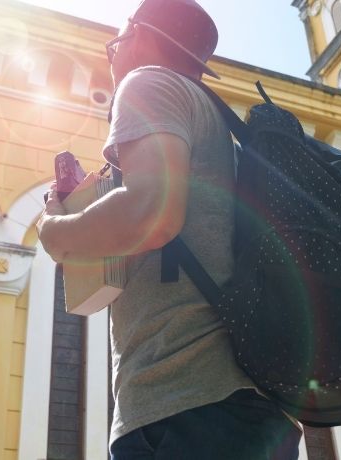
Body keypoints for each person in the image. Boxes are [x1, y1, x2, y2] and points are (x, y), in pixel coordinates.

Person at [37, 0, 301, 458]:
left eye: (115, 44)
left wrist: (56, 232)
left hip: (184, 406)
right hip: (245, 410)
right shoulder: (217, 129)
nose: (113, 57)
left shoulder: (147, 84)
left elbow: (152, 214)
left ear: (138, 37)